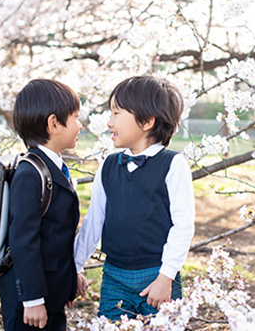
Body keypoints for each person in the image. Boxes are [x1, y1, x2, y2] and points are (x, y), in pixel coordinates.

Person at [74, 76, 195, 320]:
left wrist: (166, 276)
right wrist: (74, 268)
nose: (109, 122)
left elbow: (183, 225)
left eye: (116, 113)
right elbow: (94, 221)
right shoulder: (108, 165)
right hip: (114, 276)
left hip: (156, 276)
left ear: (147, 121)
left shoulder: (173, 165)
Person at [0, 79, 86, 331]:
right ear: (54, 123)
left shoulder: (53, 166)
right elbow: (23, 240)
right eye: (76, 117)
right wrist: (32, 299)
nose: (81, 124)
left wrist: (71, 277)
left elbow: (56, 234)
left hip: (52, 291)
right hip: (30, 301)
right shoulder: (30, 173)